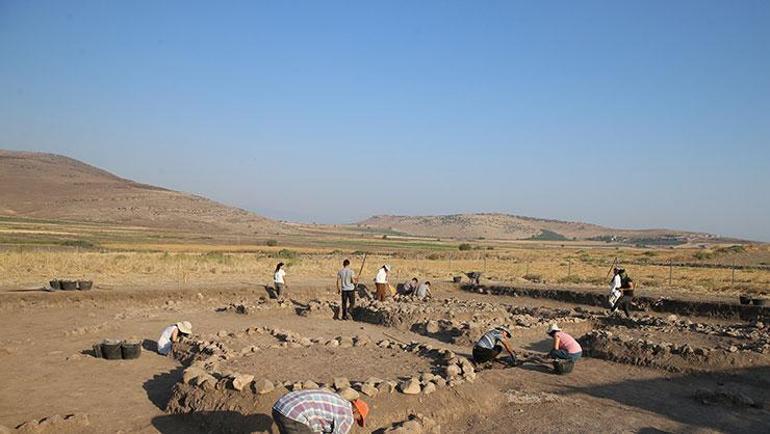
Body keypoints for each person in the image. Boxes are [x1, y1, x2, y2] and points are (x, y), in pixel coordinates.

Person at [272, 389, 369, 434]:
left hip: (279, 407)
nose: (355, 421)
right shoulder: (347, 415)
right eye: (358, 418)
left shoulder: (337, 401)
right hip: (295, 414)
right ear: (355, 410)